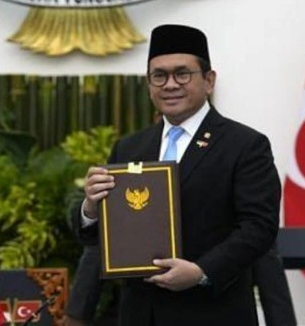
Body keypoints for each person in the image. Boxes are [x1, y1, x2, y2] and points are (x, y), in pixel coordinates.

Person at [73, 24, 281, 325]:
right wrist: (91, 209)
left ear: (209, 80)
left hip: (212, 313)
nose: (170, 85)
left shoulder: (245, 145)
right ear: (148, 83)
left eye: (182, 74)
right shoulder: (129, 147)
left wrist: (201, 271)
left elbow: (259, 227)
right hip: (141, 315)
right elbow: (102, 238)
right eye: (159, 76)